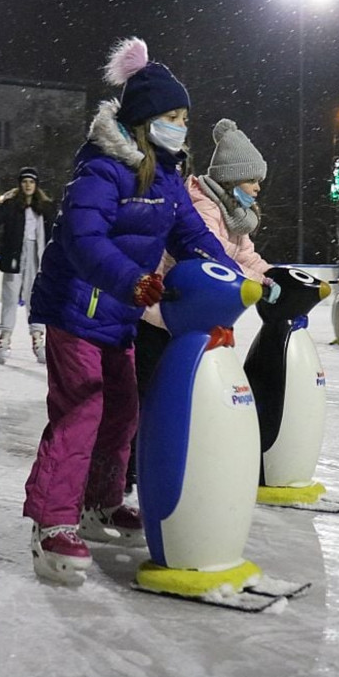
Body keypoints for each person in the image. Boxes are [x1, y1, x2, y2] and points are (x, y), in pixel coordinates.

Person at [22, 37, 243, 584]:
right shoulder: (102, 169)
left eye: (185, 117)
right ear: (145, 118)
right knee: (83, 409)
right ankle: (52, 524)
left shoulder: (166, 176)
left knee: (124, 409)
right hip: (76, 309)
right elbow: (83, 239)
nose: (181, 126)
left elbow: (192, 233)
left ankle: (100, 504)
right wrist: (133, 280)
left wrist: (231, 276)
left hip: (117, 314)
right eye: (172, 116)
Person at [126, 117, 275, 492]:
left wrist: (275, 275)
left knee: (181, 394)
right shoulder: (205, 208)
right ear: (231, 179)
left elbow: (247, 258)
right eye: (252, 180)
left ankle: (175, 461)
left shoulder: (235, 217)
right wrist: (256, 281)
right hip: (161, 316)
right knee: (149, 397)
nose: (257, 188)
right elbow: (215, 260)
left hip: (192, 321)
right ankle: (132, 469)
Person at [0, 167, 57, 364]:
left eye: (31, 182)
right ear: (20, 184)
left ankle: (38, 339)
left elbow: (62, 229)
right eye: (24, 182)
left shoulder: (46, 208)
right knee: (10, 297)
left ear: (36, 185)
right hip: (14, 255)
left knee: (36, 298)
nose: (28, 185)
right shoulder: (11, 207)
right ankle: (4, 339)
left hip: (38, 256)